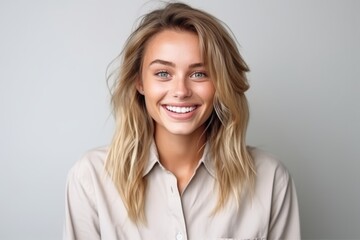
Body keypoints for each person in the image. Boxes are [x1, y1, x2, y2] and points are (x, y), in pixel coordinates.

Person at [63, 2, 301, 240]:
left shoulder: (270, 179)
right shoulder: (91, 179)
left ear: (221, 84)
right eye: (163, 73)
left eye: (199, 74)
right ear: (139, 82)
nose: (181, 90)